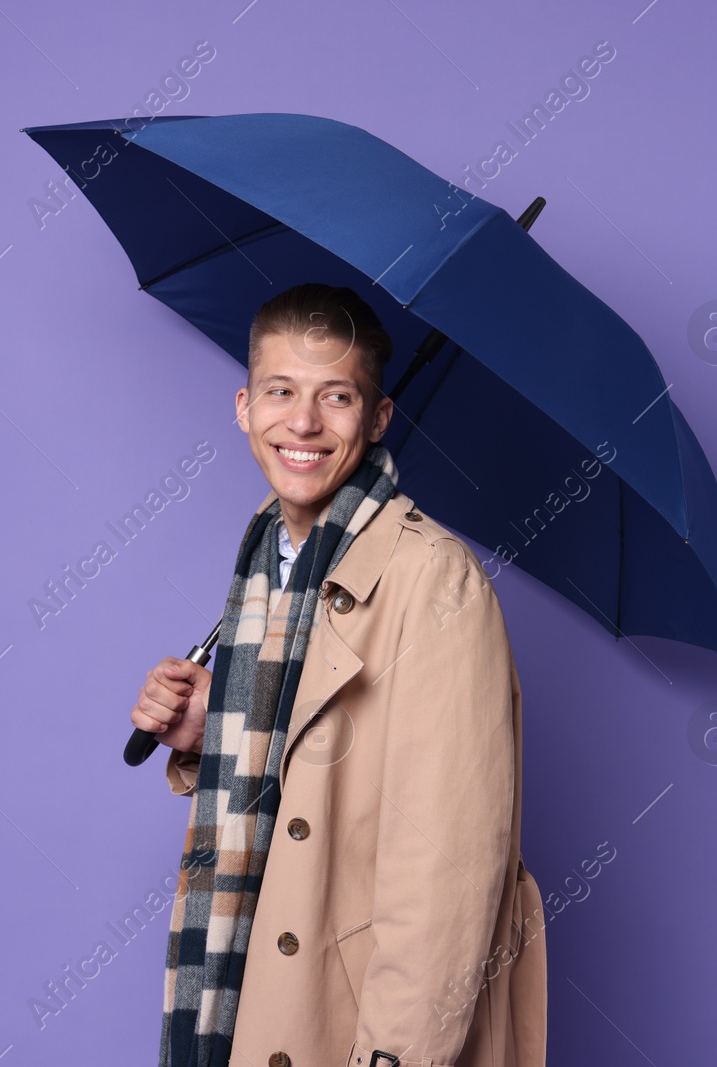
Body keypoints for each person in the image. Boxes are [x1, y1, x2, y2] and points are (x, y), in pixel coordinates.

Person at [129, 283, 546, 1067]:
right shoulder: (268, 559)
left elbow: (449, 870)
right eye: (282, 392)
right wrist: (211, 728)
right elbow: (304, 764)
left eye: (338, 396)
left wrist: (392, 1057)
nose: (305, 423)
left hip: (351, 1028)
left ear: (378, 418)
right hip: (254, 998)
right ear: (245, 406)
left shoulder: (435, 581)